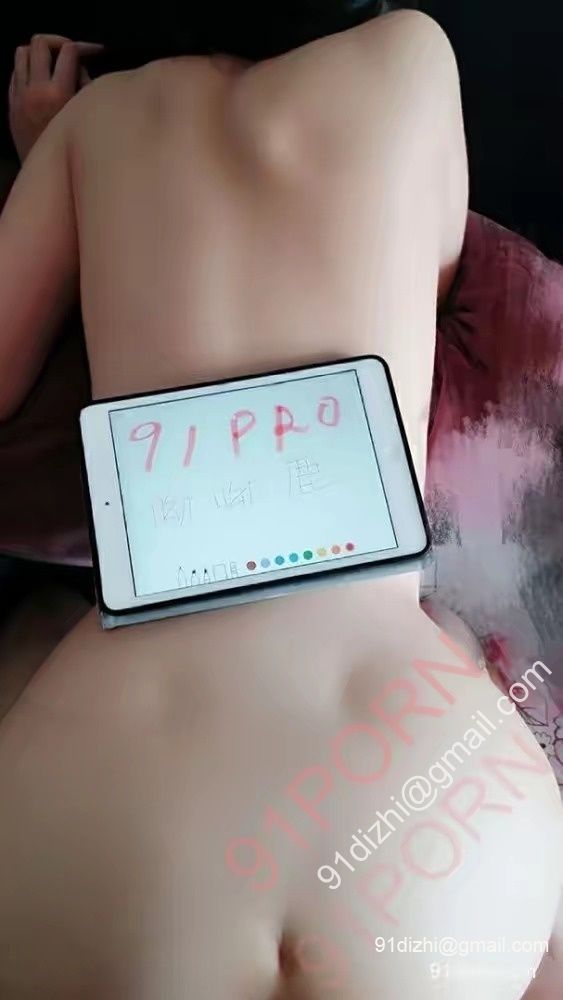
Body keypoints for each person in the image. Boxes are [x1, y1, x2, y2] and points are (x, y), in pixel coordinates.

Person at [0, 10, 561, 999]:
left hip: (122, 811)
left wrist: (51, 159)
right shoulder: (411, 55)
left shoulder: (98, 122)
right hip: (414, 789)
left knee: (28, 651)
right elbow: (440, 258)